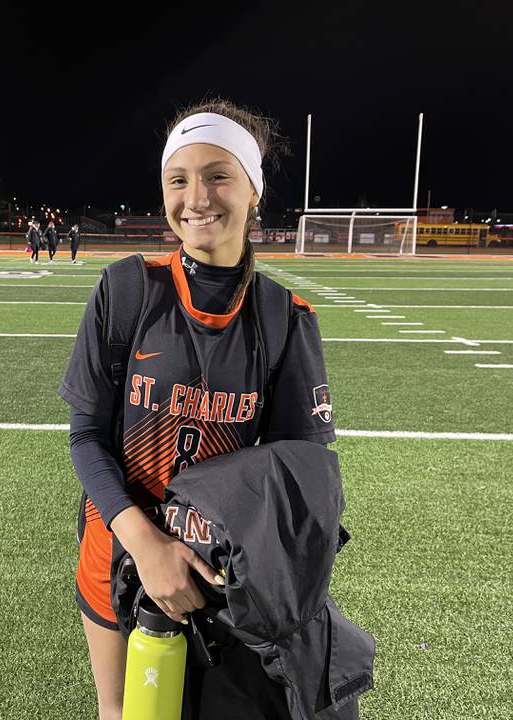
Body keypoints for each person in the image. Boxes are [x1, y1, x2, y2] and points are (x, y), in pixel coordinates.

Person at [59, 99, 336, 720]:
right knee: (125, 714)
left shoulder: (284, 318)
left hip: (223, 578)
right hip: (119, 553)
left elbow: (300, 476)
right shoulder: (128, 289)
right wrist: (148, 545)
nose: (197, 197)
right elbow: (85, 437)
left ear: (253, 191)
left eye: (218, 175)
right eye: (178, 180)